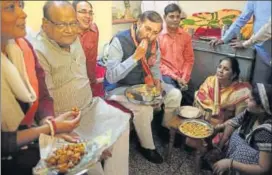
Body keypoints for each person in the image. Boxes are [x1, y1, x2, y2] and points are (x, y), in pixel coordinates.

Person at [34, 1, 130, 175]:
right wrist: (54, 126)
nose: (70, 30)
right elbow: (43, 99)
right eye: (62, 24)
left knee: (122, 122)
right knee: (90, 164)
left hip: (89, 105)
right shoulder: (38, 51)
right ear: (45, 24)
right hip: (64, 119)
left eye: (73, 23)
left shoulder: (75, 36)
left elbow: (87, 69)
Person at [1, 1, 81, 174]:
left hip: (30, 139)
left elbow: (43, 96)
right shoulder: (39, 47)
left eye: (20, 5)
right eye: (9, 8)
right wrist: (49, 129)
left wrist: (49, 122)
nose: (23, 14)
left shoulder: (23, 47)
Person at [105, 11, 182, 164]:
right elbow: (111, 77)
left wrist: (158, 83)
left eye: (155, 32)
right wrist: (135, 57)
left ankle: (165, 129)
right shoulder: (119, 41)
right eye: (147, 29)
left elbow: (155, 67)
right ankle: (147, 147)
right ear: (138, 23)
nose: (150, 36)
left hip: (143, 85)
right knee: (145, 108)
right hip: (119, 87)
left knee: (175, 94)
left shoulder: (155, 43)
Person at [187, 57, 251, 150]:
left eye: (226, 69)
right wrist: (213, 109)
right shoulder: (210, 81)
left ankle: (210, 146)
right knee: (189, 141)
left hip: (223, 127)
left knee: (208, 143)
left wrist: (221, 127)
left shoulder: (241, 92)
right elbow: (200, 96)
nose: (221, 71)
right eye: (219, 67)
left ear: (233, 75)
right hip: (204, 118)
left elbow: (239, 119)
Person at [212, 83, 272, 175]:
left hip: (252, 167)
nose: (246, 101)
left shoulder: (265, 132)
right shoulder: (251, 112)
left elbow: (264, 168)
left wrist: (230, 163)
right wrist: (220, 146)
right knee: (235, 133)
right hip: (237, 157)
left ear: (262, 108)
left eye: (250, 99)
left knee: (241, 152)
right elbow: (233, 123)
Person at [210, 1, 271, 84]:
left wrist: (246, 43)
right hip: (261, 48)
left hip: (265, 44)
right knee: (260, 87)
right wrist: (224, 39)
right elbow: (242, 18)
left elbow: (268, 29)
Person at [159, 3, 195, 105]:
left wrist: (184, 77)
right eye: (171, 16)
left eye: (177, 16)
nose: (175, 19)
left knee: (190, 94)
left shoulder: (186, 36)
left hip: (182, 74)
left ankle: (183, 120)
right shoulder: (158, 36)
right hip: (166, 74)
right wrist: (176, 78)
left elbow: (189, 59)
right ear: (164, 17)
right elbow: (158, 63)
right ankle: (168, 120)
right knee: (173, 95)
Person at [72, 0, 105, 97]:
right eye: (83, 11)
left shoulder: (94, 30)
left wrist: (92, 81)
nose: (88, 16)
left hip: (87, 80)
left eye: (90, 13)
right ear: (73, 14)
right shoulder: (65, 32)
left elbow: (91, 59)